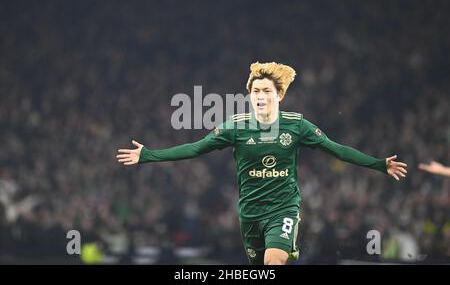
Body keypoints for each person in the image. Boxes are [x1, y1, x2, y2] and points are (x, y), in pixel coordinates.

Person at [116, 62, 408, 265]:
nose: (260, 96)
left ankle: (285, 246)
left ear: (279, 95)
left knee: (273, 262)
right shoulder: (236, 127)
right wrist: (149, 154)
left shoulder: (297, 126)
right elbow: (196, 149)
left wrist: (379, 164)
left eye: (267, 91)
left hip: (283, 209)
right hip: (250, 213)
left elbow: (337, 150)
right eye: (256, 92)